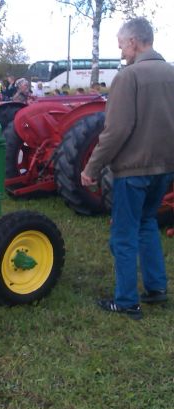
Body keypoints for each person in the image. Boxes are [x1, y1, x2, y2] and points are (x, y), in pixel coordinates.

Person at [81, 17, 174, 319]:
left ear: (133, 41)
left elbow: (116, 130)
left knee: (123, 235)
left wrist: (91, 168)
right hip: (165, 169)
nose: (120, 50)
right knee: (147, 223)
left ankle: (126, 301)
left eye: (121, 43)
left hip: (133, 171)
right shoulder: (171, 74)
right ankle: (157, 288)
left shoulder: (128, 77)